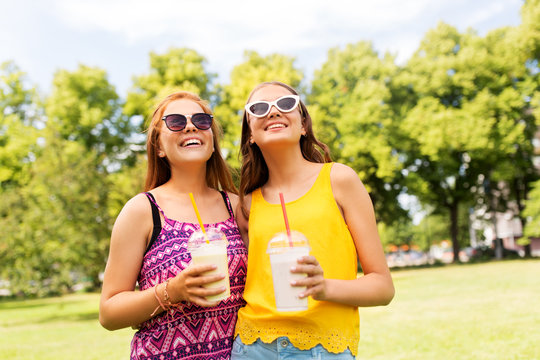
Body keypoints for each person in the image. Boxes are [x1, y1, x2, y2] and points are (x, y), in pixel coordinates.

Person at [232, 81, 395, 359]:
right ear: (250, 135)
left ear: (303, 124)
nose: (273, 112)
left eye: (285, 104)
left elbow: (383, 287)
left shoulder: (339, 180)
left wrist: (324, 287)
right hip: (251, 347)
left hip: (323, 351)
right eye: (259, 108)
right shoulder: (246, 203)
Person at [99, 91, 247, 360]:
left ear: (212, 142)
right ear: (158, 147)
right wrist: (173, 291)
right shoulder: (143, 211)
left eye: (202, 121)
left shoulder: (237, 207)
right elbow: (109, 313)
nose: (190, 126)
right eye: (176, 122)